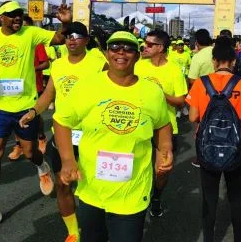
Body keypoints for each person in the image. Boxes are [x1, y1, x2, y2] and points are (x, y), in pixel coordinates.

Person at [53, 31, 173, 242]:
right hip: (92, 187)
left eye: (128, 48)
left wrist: (166, 148)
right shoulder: (88, 86)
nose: (121, 52)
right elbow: (62, 121)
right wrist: (68, 160)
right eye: (115, 47)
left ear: (137, 55)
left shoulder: (152, 92)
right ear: (107, 53)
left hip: (133, 190)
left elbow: (163, 124)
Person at [0, 1, 72, 233]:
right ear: (1, 18)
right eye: (12, 15)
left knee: (29, 153)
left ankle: (42, 167)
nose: (17, 18)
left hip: (25, 106)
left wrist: (65, 22)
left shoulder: (30, 33)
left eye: (19, 14)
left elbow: (58, 39)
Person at [18, 22, 106, 242]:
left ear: (86, 40)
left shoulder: (98, 63)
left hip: (93, 135)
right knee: (63, 184)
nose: (71, 39)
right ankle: (73, 232)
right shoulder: (57, 66)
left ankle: (98, 229)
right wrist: (33, 111)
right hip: (63, 134)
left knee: (94, 186)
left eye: (77, 35)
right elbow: (48, 95)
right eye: (67, 35)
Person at [186, 36, 241, 242]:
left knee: (209, 197)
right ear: (234, 61)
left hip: (207, 147)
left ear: (214, 61)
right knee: (236, 198)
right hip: (235, 148)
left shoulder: (201, 83)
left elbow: (192, 116)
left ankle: (209, 238)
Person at [135, 29, 188, 218]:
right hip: (137, 125)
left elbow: (181, 100)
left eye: (149, 44)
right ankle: (136, 200)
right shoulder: (138, 66)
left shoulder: (173, 69)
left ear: (161, 48)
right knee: (135, 166)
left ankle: (156, 196)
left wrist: (160, 93)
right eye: (144, 43)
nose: (144, 47)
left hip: (165, 127)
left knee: (161, 170)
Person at [8, 15, 50, 161]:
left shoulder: (36, 43)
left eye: (24, 27)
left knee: (35, 116)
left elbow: (46, 64)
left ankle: (41, 138)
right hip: (14, 87)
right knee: (14, 116)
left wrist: (31, 69)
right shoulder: (10, 43)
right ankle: (18, 145)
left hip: (34, 86)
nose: (20, 29)